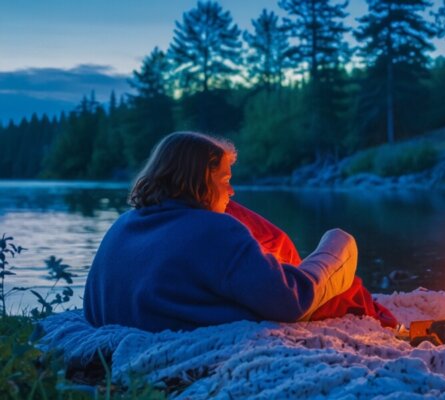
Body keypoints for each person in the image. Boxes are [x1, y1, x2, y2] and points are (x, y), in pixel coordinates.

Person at [84, 131, 396, 332]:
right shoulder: (213, 230)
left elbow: (91, 307)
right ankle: (389, 325)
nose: (231, 191)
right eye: (224, 180)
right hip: (191, 320)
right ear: (201, 180)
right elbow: (290, 301)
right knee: (343, 265)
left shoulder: (122, 225)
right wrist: (336, 247)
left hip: (166, 313)